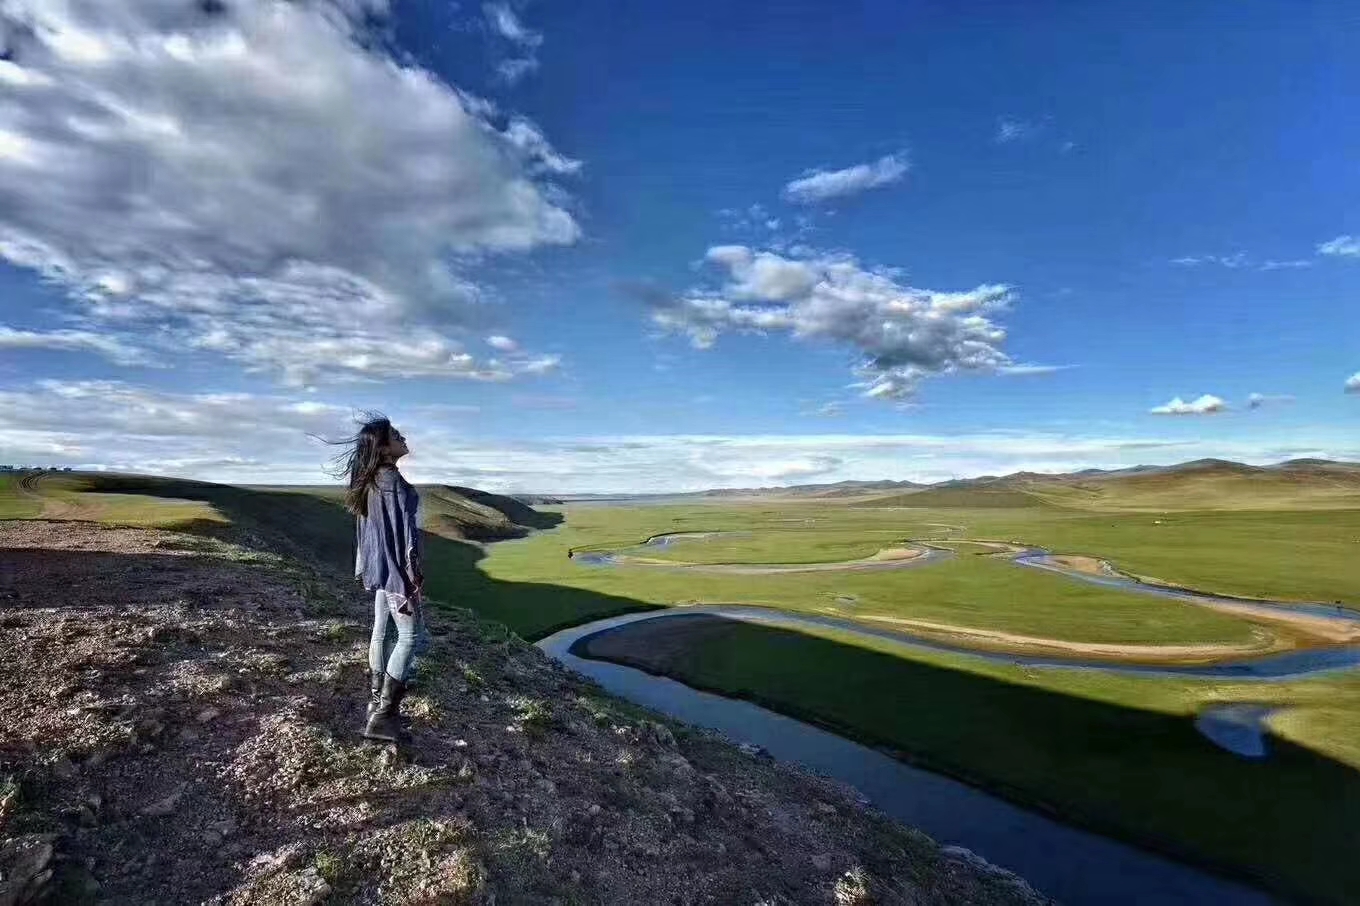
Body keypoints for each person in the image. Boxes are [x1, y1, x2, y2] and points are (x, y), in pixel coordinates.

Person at [338, 415, 428, 742]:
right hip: (397, 575)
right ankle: (384, 716)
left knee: (382, 632)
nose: (402, 437)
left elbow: (368, 533)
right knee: (409, 637)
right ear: (384, 448)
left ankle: (375, 704)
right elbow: (407, 536)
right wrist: (412, 575)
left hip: (380, 571)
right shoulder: (393, 483)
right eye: (395, 435)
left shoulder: (370, 480)